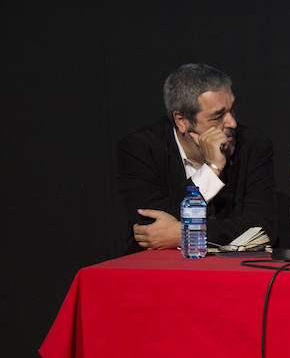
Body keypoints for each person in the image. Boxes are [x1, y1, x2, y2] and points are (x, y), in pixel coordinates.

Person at [117, 63, 277, 253]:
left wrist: (186, 234)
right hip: (160, 271)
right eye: (217, 117)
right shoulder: (141, 148)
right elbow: (148, 228)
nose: (232, 122)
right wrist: (211, 170)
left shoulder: (252, 145)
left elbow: (262, 229)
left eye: (232, 110)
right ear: (182, 121)